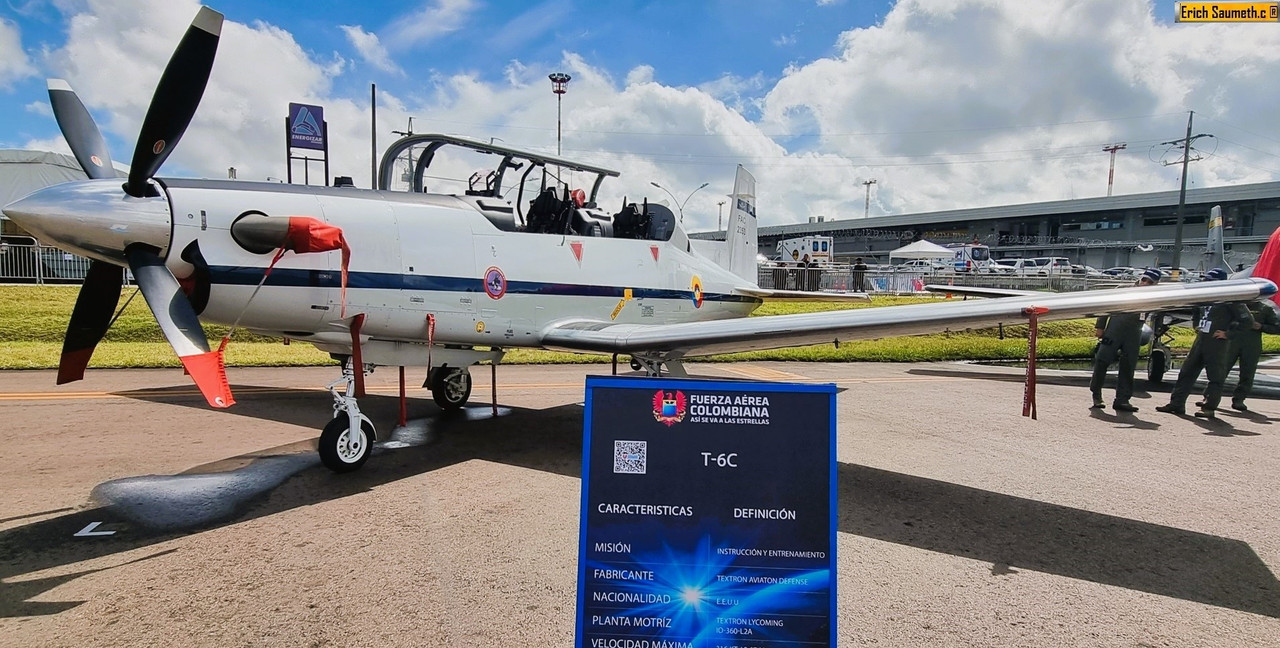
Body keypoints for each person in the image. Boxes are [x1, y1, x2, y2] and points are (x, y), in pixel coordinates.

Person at [1156, 267, 1252, 419]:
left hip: (1217, 342)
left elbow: (1247, 321)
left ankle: (1209, 407)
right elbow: (1196, 310)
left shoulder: (1231, 299)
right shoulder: (1205, 296)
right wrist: (1196, 325)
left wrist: (1228, 334)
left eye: (1210, 281)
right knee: (1187, 371)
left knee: (1215, 376)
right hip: (1201, 338)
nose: (1207, 283)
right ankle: (1177, 403)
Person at [1090, 268, 1161, 411]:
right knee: (1102, 360)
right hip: (1115, 330)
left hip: (1134, 333)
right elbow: (1106, 306)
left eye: (1150, 282)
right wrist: (1100, 327)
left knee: (1128, 366)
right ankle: (1096, 395)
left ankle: (1122, 400)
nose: (1146, 283)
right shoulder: (1123, 289)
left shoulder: (1155, 296)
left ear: (1156, 284)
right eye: (1144, 280)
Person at [1223, 299, 1280, 411]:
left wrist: (1262, 326)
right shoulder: (1232, 306)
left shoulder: (1264, 308)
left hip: (1251, 345)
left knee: (1247, 374)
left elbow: (1277, 327)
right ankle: (1210, 398)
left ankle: (1239, 399)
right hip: (1231, 342)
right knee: (1220, 370)